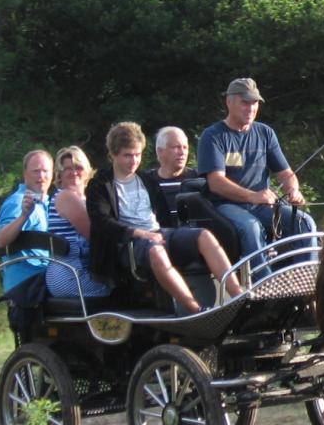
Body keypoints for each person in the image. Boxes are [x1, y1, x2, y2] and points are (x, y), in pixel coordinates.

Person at [87, 122, 244, 314]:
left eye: (137, 155)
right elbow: (102, 222)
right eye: (127, 155)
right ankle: (196, 310)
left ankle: (239, 298)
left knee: (204, 236)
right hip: (128, 244)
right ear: (112, 155)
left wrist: (175, 238)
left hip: (158, 233)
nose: (134, 161)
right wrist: (140, 234)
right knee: (157, 251)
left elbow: (163, 218)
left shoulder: (146, 180)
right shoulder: (100, 185)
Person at [197, 77, 315, 273]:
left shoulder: (265, 133)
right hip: (225, 205)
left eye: (254, 103)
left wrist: (293, 190)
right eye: (245, 102)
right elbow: (216, 182)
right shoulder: (213, 136)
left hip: (261, 204)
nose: (251, 108)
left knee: (304, 222)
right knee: (251, 227)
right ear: (229, 102)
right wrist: (253, 196)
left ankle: (304, 278)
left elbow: (286, 173)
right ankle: (263, 284)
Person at [44, 146, 113, 300]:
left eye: (78, 167)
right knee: (121, 289)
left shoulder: (85, 199)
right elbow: (95, 235)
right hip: (70, 275)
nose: (74, 172)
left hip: (76, 271)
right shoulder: (66, 197)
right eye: (67, 168)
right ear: (59, 175)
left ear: (87, 171)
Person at [0, 149, 53, 294]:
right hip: (27, 285)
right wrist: (23, 216)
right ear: (24, 174)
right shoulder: (18, 202)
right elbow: (1, 240)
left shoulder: (48, 203)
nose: (41, 176)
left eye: (45, 171)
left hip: (44, 279)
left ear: (52, 173)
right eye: (36, 171)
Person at [149, 125, 201, 229]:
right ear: (160, 151)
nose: (182, 152)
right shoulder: (146, 182)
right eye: (176, 147)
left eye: (185, 147)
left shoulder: (198, 179)